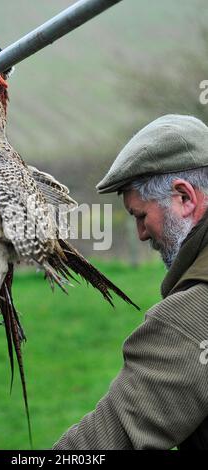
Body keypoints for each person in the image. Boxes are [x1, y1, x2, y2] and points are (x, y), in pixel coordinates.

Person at [52, 114, 208, 450]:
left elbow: (108, 440)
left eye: (140, 215)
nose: (139, 233)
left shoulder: (194, 315)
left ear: (184, 197)